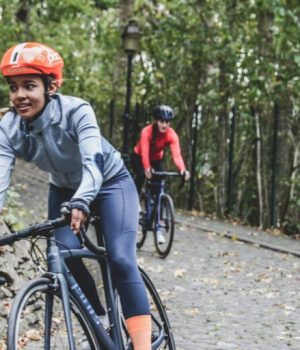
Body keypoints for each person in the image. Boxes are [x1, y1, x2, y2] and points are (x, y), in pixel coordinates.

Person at [0, 42, 151, 350]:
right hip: (65, 189)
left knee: (120, 258)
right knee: (63, 257)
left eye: (29, 86)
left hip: (110, 183)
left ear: (51, 86)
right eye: (14, 88)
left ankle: (143, 345)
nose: (20, 95)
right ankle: (97, 323)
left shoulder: (76, 110)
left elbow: (93, 163)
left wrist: (83, 200)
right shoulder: (9, 128)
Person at [132, 105, 190, 243]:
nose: (165, 124)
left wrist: (182, 169)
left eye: (167, 122)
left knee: (159, 189)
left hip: (156, 159)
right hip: (139, 156)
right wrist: (146, 168)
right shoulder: (147, 132)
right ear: (156, 121)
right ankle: (135, 200)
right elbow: (144, 152)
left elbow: (176, 155)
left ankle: (158, 227)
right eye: (162, 121)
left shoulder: (171, 135)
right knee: (141, 175)